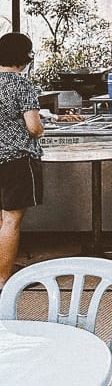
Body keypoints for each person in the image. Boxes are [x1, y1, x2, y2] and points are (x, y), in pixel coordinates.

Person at [0, 32, 43, 288]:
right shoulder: (21, 84)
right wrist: (43, 126)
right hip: (16, 160)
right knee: (11, 220)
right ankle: (4, 279)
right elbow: (34, 127)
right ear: (24, 56)